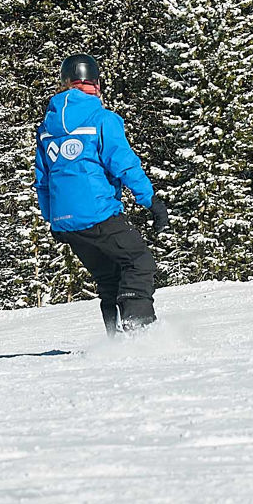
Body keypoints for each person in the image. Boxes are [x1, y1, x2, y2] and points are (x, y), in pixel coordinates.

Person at [35, 54, 168, 337]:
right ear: (95, 84)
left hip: (65, 221)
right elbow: (124, 163)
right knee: (138, 261)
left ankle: (113, 341)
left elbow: (42, 178)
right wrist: (150, 200)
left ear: (66, 83)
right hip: (97, 212)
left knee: (109, 278)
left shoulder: (47, 128)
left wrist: (53, 217)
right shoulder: (102, 119)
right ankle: (141, 332)